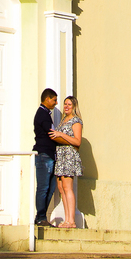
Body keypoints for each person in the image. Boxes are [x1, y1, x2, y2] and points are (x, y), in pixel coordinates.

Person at [50, 95, 83, 228]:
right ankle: (67, 219)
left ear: (74, 106)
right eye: (65, 104)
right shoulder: (63, 120)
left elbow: (77, 141)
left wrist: (61, 135)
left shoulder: (76, 121)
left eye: (69, 104)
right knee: (61, 188)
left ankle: (72, 220)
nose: (66, 107)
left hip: (69, 156)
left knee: (68, 187)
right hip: (60, 156)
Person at [32, 87, 58, 226]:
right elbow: (52, 133)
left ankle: (41, 216)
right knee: (43, 187)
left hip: (50, 155)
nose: (56, 103)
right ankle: (41, 217)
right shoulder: (42, 114)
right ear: (47, 99)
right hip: (44, 155)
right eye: (54, 100)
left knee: (51, 186)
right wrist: (68, 139)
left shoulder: (46, 114)